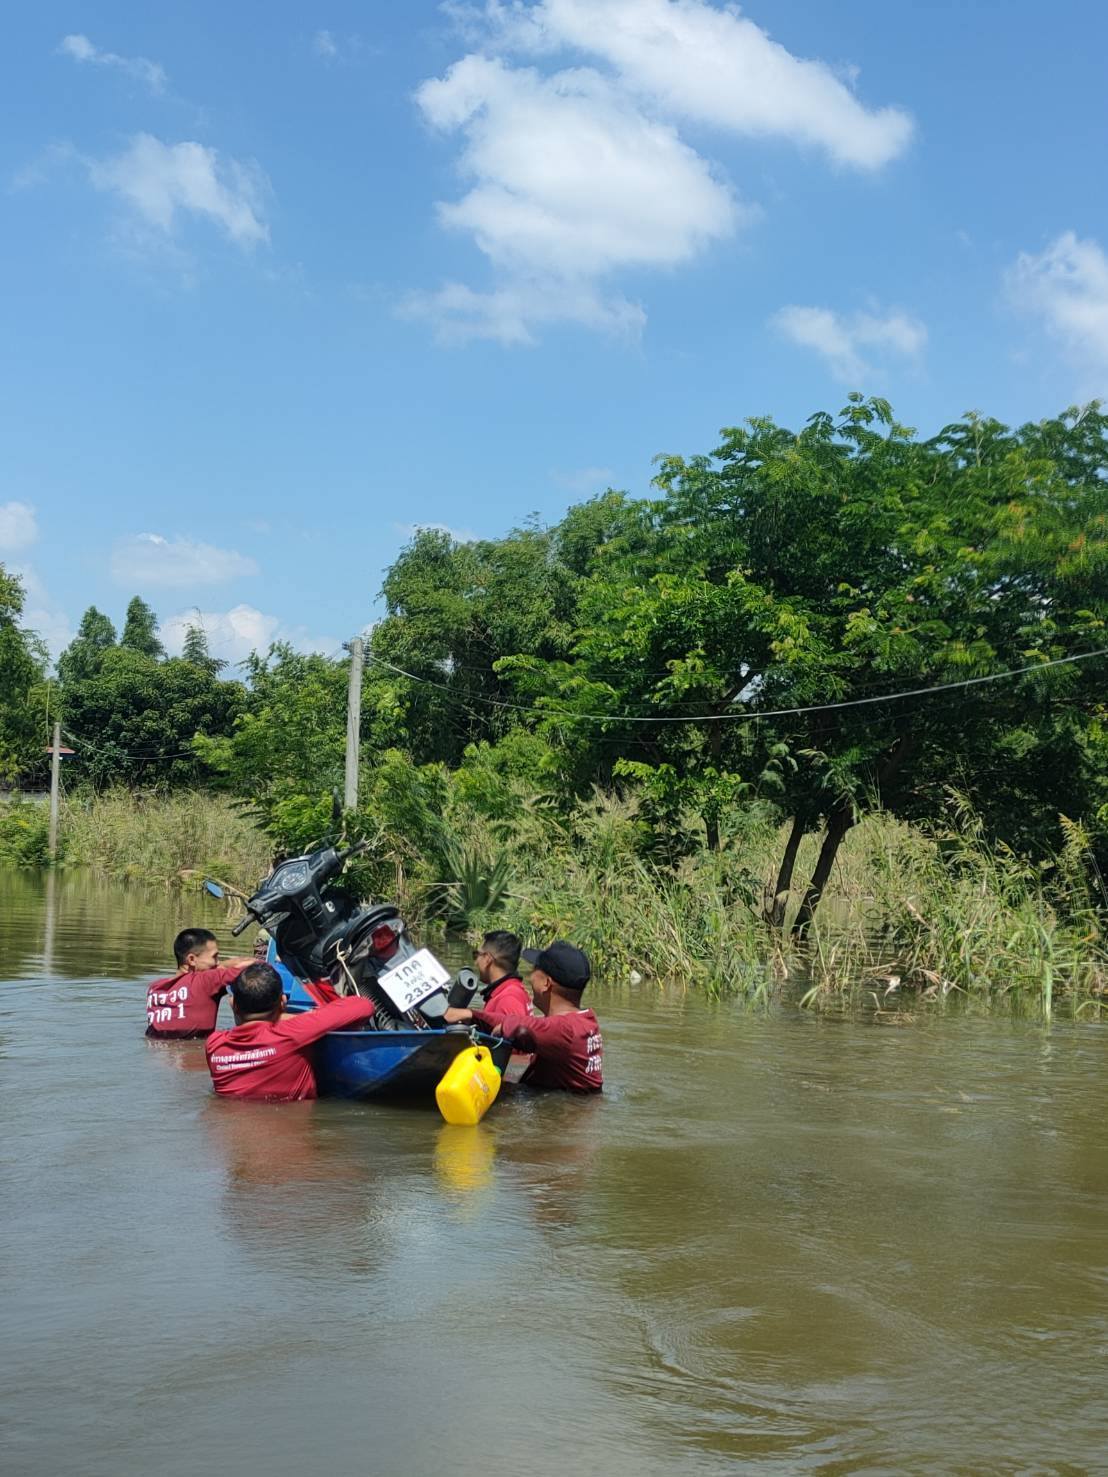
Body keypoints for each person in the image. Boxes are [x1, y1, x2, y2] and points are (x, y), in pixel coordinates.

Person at [206, 962, 377, 1101]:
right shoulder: (292, 1034)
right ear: (283, 1002)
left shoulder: (214, 1044)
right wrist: (307, 1016)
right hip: (291, 1129)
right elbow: (363, 1005)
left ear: (233, 1004)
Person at [448, 940, 603, 1093]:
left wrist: (506, 1027)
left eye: (534, 969)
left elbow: (520, 1024)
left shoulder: (564, 1029)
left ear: (546, 983)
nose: (529, 976)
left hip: (564, 1107)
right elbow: (533, 1024)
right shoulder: (585, 1020)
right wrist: (471, 1014)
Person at [146, 928, 255, 1040]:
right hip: (195, 1049)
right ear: (192, 959)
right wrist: (222, 966)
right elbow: (254, 966)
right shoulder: (206, 980)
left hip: (156, 1048)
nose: (217, 962)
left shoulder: (155, 988)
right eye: (214, 957)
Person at [444, 929, 530, 1026]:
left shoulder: (509, 998)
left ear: (487, 959)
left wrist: (469, 1014)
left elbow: (516, 1029)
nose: (476, 962)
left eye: (476, 955)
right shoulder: (509, 990)